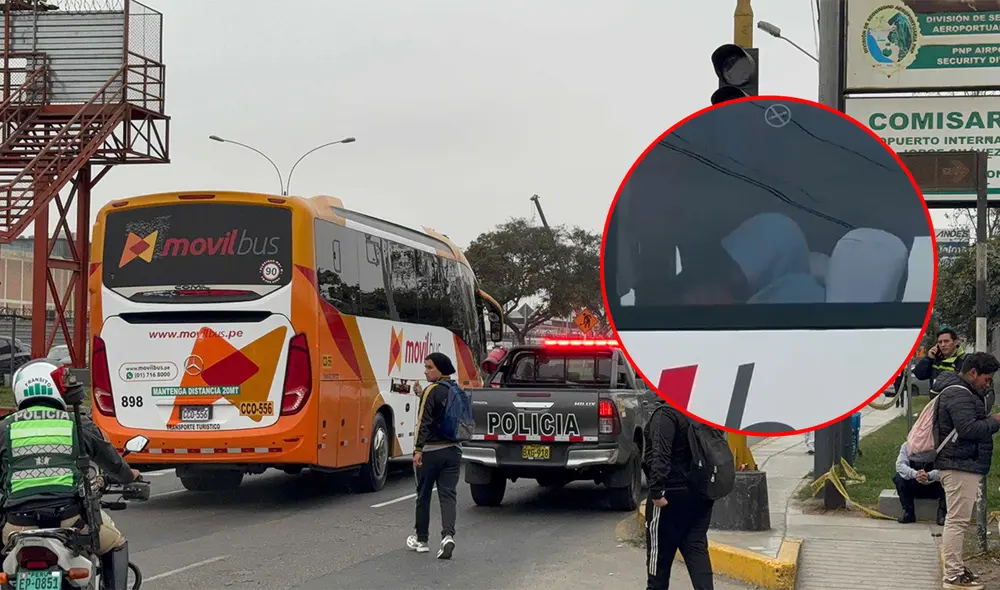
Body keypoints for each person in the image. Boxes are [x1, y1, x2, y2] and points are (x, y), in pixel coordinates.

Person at [0, 360, 141, 589]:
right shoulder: (78, 423)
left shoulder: (5, 428)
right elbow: (114, 464)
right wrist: (130, 477)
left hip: (17, 527)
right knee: (115, 542)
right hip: (71, 521)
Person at [934, 352, 1000, 590]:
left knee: (957, 519)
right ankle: (952, 576)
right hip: (959, 464)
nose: (987, 383)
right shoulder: (957, 393)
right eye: (987, 378)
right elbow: (968, 428)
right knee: (958, 521)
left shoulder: (962, 391)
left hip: (962, 463)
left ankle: (957, 568)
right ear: (974, 373)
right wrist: (996, 420)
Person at [644, 399, 714, 589]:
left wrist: (657, 492)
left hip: (671, 497)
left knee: (658, 568)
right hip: (699, 496)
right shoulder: (700, 410)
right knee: (697, 553)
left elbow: (660, 455)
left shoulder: (665, 414)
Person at [406, 352, 462, 560]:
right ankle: (448, 536)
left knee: (423, 495)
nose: (425, 370)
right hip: (453, 451)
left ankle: (422, 540)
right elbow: (444, 413)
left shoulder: (432, 390)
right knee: (448, 496)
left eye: (429, 367)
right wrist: (422, 394)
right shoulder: (455, 389)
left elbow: (424, 422)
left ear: (440, 369)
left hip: (431, 451)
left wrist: (418, 449)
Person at [893, 441, 946, 526]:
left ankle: (942, 513)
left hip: (936, 486)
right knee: (899, 477)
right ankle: (908, 512)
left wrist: (929, 475)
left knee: (949, 477)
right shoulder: (907, 445)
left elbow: (947, 469)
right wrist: (915, 474)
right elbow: (900, 465)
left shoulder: (943, 446)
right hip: (915, 484)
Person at [914, 329, 967, 399]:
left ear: (955, 342)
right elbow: (919, 375)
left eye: (946, 341)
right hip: (936, 404)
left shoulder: (964, 361)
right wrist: (928, 358)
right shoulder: (935, 360)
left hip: (956, 404)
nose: (943, 345)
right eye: (940, 342)